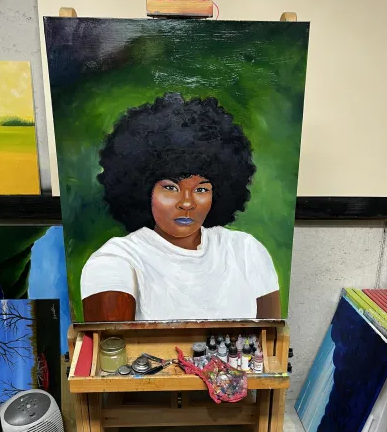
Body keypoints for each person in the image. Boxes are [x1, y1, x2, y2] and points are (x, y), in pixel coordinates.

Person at [81, 93, 281, 321]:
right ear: (143, 190)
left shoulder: (246, 251)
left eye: (201, 189)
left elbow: (272, 338)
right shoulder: (116, 260)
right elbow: (109, 341)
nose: (187, 203)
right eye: (171, 188)